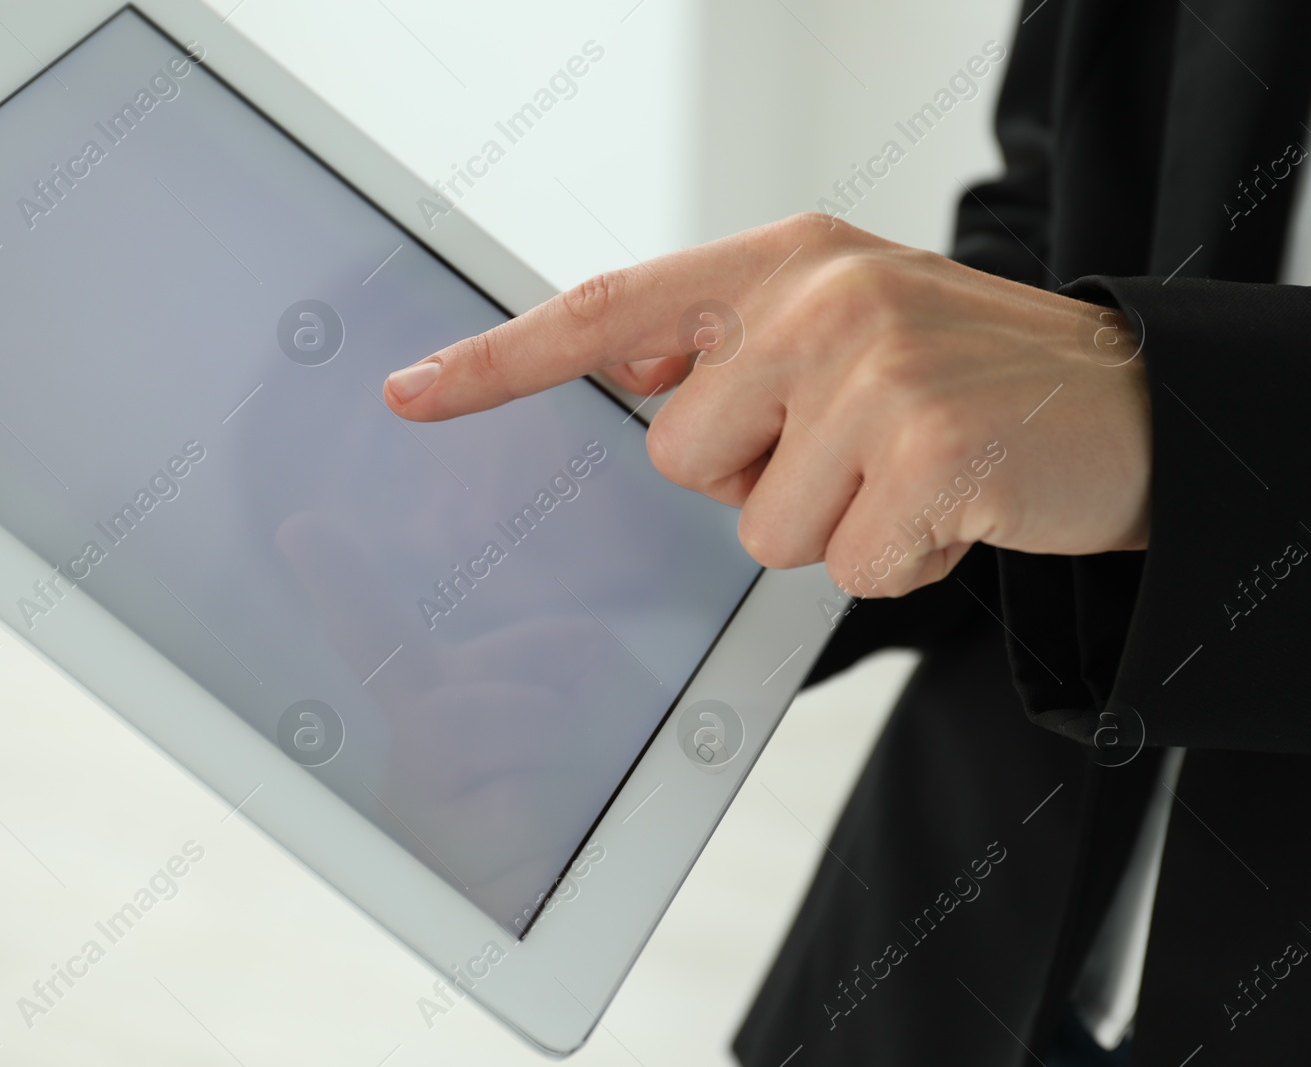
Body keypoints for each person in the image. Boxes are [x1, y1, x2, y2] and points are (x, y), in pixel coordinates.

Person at [381, 0, 1311, 1062]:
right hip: (950, 963)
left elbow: (1087, 390)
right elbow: (1051, 241)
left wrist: (1166, 417)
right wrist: (669, 547)